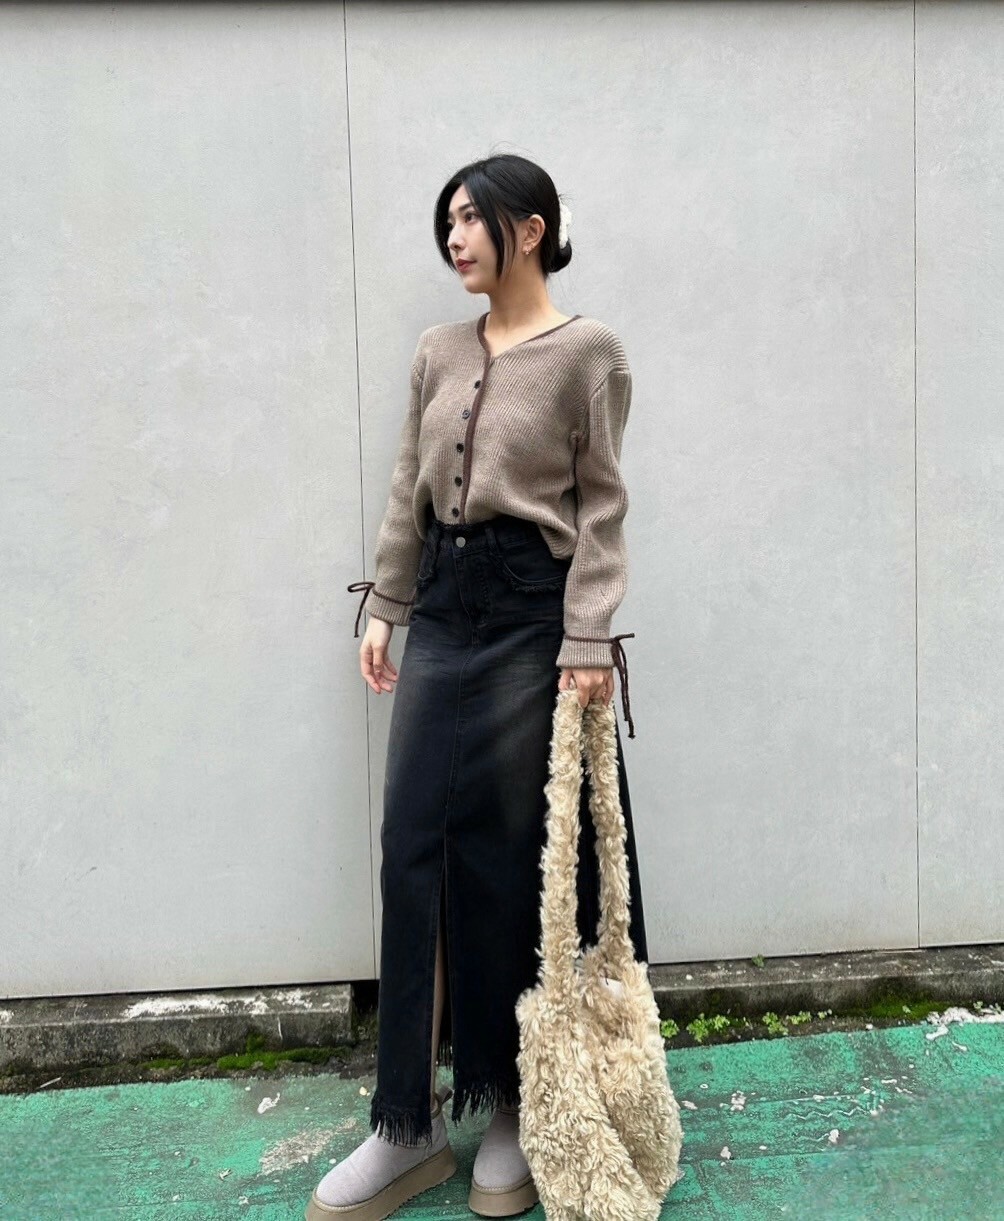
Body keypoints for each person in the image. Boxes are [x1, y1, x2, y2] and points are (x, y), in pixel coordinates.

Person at [306, 153, 649, 1221]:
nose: (453, 237)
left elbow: (601, 508)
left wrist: (587, 636)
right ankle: (405, 1123)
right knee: (411, 843)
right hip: (446, 609)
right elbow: (407, 485)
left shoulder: (589, 353)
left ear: (530, 229)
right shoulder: (437, 350)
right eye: (446, 220)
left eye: (470, 219)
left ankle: (509, 1103)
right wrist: (386, 603)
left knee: (511, 858)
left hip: (533, 614)